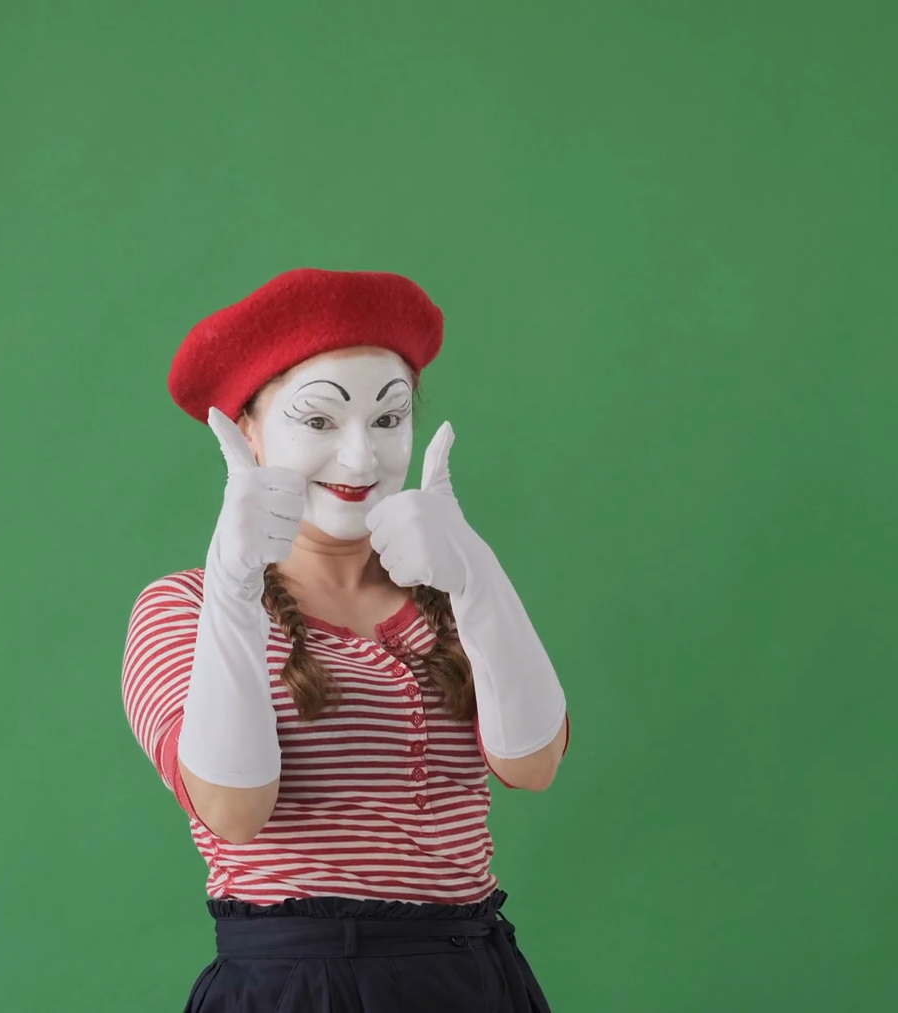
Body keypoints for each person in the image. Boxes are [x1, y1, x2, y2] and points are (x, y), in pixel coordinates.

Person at [121, 267, 572, 1012]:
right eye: (320, 421)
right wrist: (233, 589)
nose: (362, 459)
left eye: (389, 420)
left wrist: (478, 576)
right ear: (247, 429)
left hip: (475, 975)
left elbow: (534, 764)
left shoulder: (445, 593)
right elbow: (233, 811)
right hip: (301, 986)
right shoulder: (183, 607)